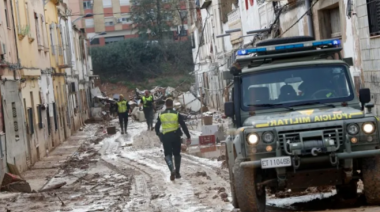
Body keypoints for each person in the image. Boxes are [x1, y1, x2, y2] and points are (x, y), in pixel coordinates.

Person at [155, 98, 191, 181]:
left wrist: (159, 134)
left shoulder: (161, 114)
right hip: (175, 136)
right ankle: (177, 172)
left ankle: (172, 170)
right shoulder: (176, 114)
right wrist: (188, 135)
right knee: (177, 154)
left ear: (166, 105)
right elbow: (183, 125)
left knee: (168, 155)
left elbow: (157, 127)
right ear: (172, 105)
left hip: (166, 137)